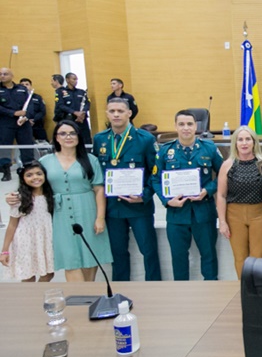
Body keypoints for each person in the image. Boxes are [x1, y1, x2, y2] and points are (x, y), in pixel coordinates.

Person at [92, 98, 161, 281]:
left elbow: (156, 172)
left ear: (129, 113)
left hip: (139, 207)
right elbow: (97, 174)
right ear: (107, 114)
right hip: (113, 207)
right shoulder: (100, 139)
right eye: (112, 111)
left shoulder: (145, 139)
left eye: (120, 111)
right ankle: (120, 289)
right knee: (118, 253)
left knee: (149, 251)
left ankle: (155, 287)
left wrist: (144, 195)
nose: (116, 115)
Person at [153, 110, 223, 280]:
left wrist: (208, 190)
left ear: (196, 127)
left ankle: (212, 288)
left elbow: (223, 175)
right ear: (175, 126)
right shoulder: (165, 151)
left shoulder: (209, 148)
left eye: (190, 124)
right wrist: (167, 201)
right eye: (181, 124)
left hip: (203, 212)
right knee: (179, 258)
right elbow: (155, 179)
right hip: (177, 214)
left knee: (208, 255)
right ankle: (181, 291)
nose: (186, 128)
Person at [41, 120, 112, 281]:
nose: (68, 137)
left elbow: (99, 189)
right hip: (60, 214)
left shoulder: (90, 159)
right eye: (63, 133)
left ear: (79, 137)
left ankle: (88, 292)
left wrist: (100, 218)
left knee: (90, 255)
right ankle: (78, 294)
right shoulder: (45, 161)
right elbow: (33, 186)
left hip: (87, 209)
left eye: (72, 133)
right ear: (56, 138)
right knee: (70, 258)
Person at [216, 125, 262, 279]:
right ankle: (244, 288)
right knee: (240, 257)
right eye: (240, 140)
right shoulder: (227, 165)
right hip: (234, 216)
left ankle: (258, 289)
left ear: (254, 142)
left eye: (248, 139)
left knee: (258, 256)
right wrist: (222, 221)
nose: (244, 143)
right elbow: (221, 195)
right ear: (235, 143)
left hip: (259, 214)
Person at [0, 162, 55, 282]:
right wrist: (4, 250)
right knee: (28, 275)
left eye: (39, 174)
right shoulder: (19, 198)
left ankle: (38, 293)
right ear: (23, 179)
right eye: (29, 175)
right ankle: (31, 294)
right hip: (25, 241)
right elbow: (12, 224)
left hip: (45, 239)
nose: (35, 177)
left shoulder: (50, 195)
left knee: (49, 273)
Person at [0, 67, 35, 181]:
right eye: (0, 74)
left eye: (5, 74)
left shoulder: (22, 89)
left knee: (27, 146)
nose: (2, 76)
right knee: (5, 148)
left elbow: (30, 104)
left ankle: (28, 170)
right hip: (5, 123)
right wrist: (13, 113)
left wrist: (26, 116)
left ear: (12, 76)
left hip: (23, 123)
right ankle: (6, 171)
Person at [53, 72, 91, 145]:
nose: (76, 81)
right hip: (68, 119)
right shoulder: (61, 92)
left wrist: (83, 112)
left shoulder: (82, 92)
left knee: (85, 140)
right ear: (67, 80)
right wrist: (74, 112)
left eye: (76, 79)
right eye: (73, 79)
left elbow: (87, 103)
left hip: (81, 120)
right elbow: (60, 105)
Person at [18, 78, 47, 142]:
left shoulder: (37, 97)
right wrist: (27, 119)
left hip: (37, 124)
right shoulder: (17, 98)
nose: (25, 86)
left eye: (27, 84)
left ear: (30, 86)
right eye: (22, 85)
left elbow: (42, 111)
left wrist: (33, 120)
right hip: (23, 124)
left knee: (43, 143)